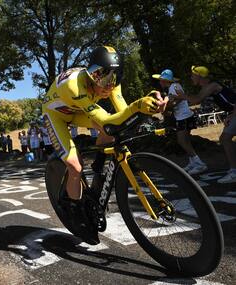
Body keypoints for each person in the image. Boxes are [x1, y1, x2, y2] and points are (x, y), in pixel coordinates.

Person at [42, 46, 168, 241]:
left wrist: (147, 107)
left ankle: (98, 177)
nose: (108, 85)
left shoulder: (111, 80)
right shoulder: (74, 85)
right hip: (56, 114)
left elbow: (123, 113)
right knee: (75, 166)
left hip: (77, 110)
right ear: (91, 72)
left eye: (114, 78)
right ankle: (74, 209)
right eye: (101, 78)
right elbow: (108, 122)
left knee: (111, 135)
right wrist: (137, 106)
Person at [176, 66, 236, 183]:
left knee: (225, 138)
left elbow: (196, 100)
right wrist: (230, 115)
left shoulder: (211, 86)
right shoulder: (208, 87)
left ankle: (234, 172)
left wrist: (181, 96)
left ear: (199, 76)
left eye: (193, 75)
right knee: (225, 138)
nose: (191, 77)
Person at [152, 69, 207, 175]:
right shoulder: (174, 86)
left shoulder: (174, 87)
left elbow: (180, 98)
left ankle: (200, 164)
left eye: (161, 80)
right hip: (185, 116)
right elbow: (179, 98)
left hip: (184, 117)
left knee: (182, 141)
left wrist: (169, 106)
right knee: (186, 141)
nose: (160, 82)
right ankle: (193, 162)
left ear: (165, 80)